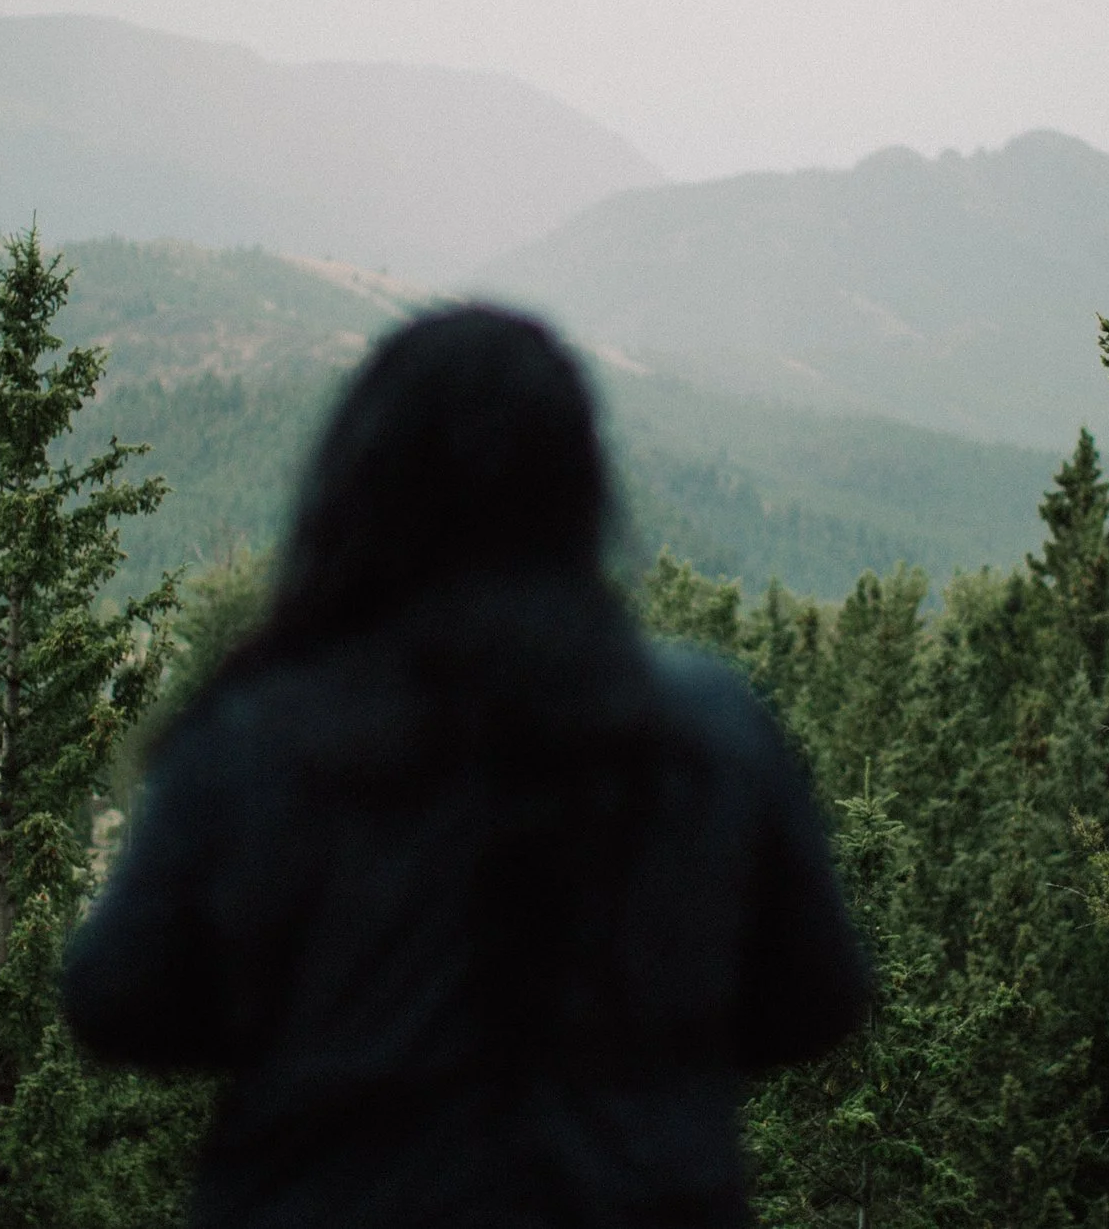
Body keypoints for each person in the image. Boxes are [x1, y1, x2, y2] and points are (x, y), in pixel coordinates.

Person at [61, 305, 868, 1228]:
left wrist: (315, 1019)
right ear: (578, 490)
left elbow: (116, 998)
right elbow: (817, 999)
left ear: (358, 485)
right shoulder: (711, 728)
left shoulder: (261, 737)